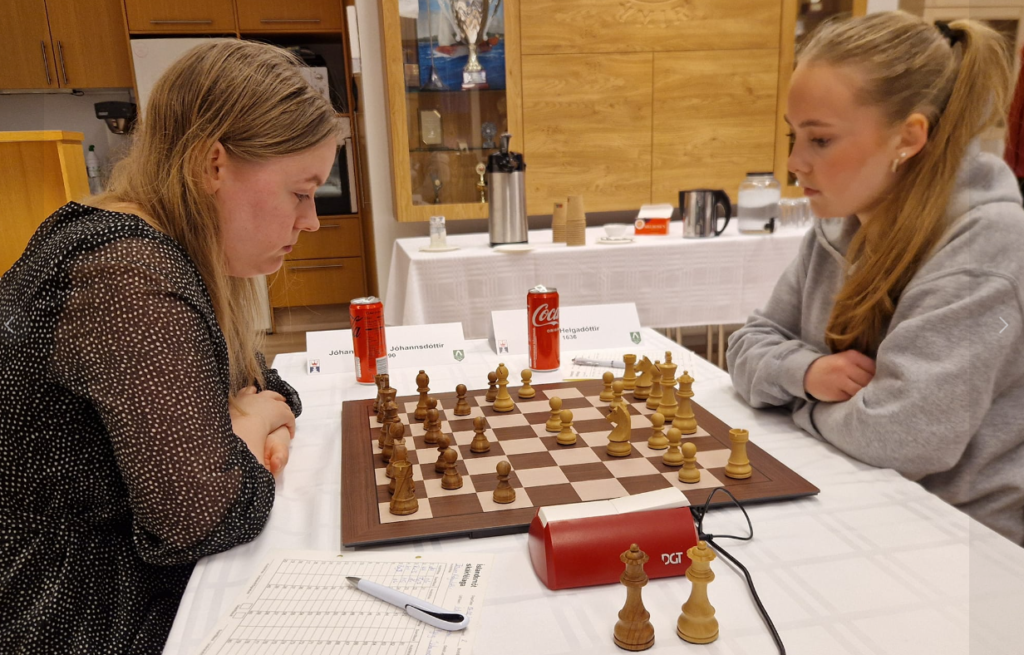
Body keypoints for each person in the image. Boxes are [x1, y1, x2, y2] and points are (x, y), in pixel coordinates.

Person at [0, 41, 342, 651]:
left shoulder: (157, 249)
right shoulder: (128, 274)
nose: (311, 220)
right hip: (72, 614)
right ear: (214, 165)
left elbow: (267, 385)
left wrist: (246, 420)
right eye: (299, 192)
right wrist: (249, 423)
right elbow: (201, 519)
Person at [727, 12, 1024, 545]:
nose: (794, 162)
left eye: (820, 140)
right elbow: (748, 344)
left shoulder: (987, 245)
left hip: (963, 542)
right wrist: (807, 372)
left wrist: (795, 401)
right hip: (857, 495)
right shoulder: (840, 224)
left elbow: (904, 436)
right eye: (794, 135)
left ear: (908, 137)